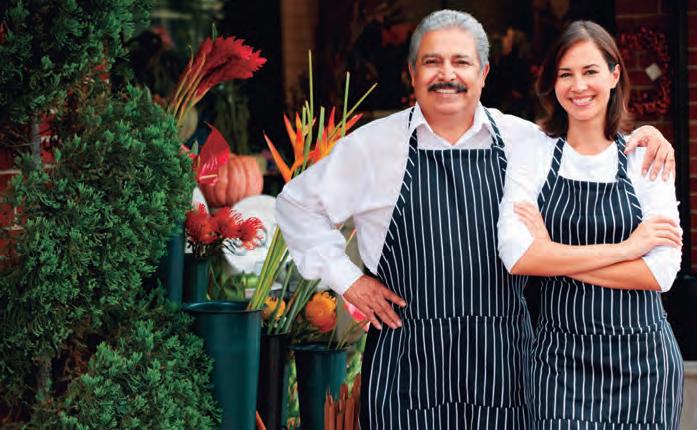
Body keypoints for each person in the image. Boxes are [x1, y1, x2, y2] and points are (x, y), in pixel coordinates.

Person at [276, 10, 674, 429]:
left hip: (505, 367)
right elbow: (296, 206)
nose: (447, 74)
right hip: (408, 362)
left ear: (483, 73)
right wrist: (349, 280)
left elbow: (592, 146)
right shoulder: (373, 146)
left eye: (461, 62)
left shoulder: (526, 141)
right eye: (432, 62)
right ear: (412, 72)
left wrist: (646, 138)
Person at [497, 21, 683, 428]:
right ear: (552, 82)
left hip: (644, 365)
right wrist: (627, 249)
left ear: (615, 75)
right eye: (566, 74)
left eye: (590, 71)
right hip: (560, 363)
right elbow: (519, 257)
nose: (578, 85)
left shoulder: (645, 157)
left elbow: (660, 273)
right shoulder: (534, 152)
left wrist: (553, 256)